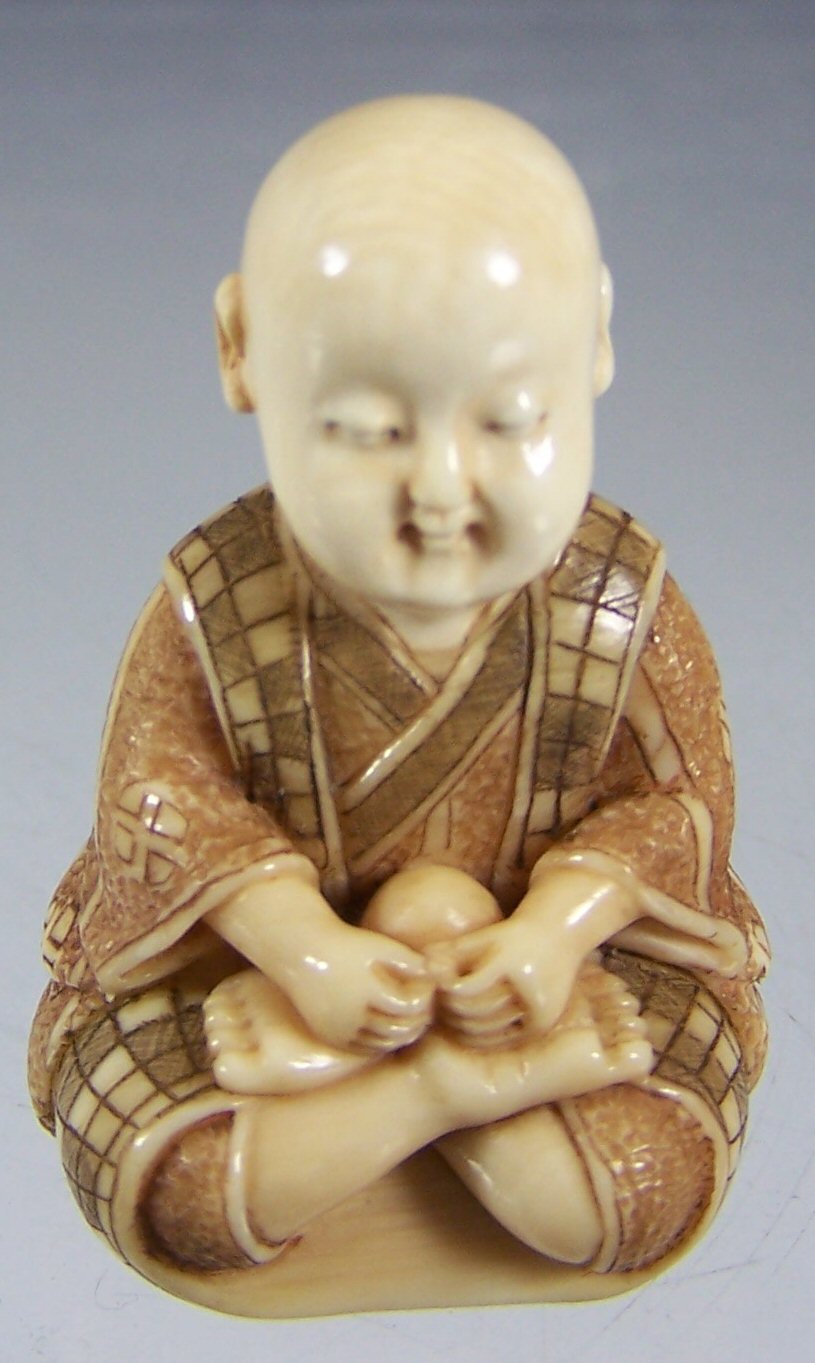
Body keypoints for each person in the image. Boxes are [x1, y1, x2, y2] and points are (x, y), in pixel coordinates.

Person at [28, 96, 768, 1306]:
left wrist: (549, 932)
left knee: (651, 1179)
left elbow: (681, 807)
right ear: (241, 353)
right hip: (277, 977)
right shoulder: (219, 603)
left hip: (544, 984)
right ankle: (453, 1096)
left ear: (593, 342)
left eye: (508, 421)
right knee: (166, 1181)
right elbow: (156, 799)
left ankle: (421, 1095)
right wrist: (306, 946)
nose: (437, 488)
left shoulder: (615, 605)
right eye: (369, 431)